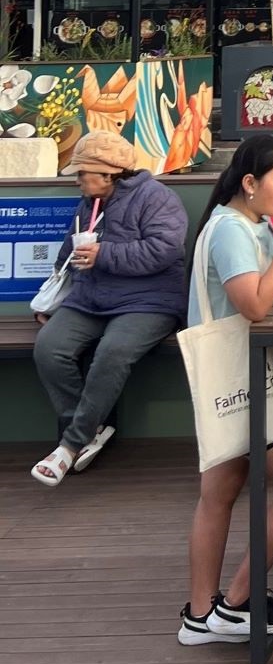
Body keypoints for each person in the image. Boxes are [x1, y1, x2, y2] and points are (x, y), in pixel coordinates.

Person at [179, 134, 273, 645]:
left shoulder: (254, 223)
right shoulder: (230, 230)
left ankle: (200, 617)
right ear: (250, 183)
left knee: (218, 493)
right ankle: (239, 601)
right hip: (241, 374)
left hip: (235, 374)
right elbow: (256, 306)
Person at [31, 132, 188, 486]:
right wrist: (51, 297)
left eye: (81, 172)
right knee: (49, 347)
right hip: (91, 299)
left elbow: (164, 251)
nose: (77, 180)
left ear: (107, 173)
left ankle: (69, 446)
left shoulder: (158, 199)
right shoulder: (89, 201)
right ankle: (89, 429)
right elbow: (69, 250)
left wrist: (105, 254)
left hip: (149, 301)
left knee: (112, 353)